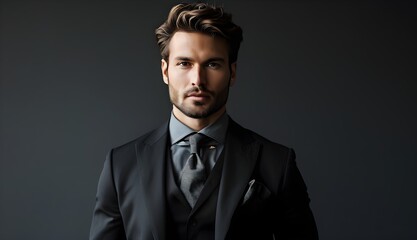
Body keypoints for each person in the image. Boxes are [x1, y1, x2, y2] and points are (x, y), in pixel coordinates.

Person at [89, 2, 318, 240]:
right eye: (184, 63)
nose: (198, 79)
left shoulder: (277, 164)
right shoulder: (121, 165)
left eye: (212, 64)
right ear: (165, 71)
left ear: (233, 72)